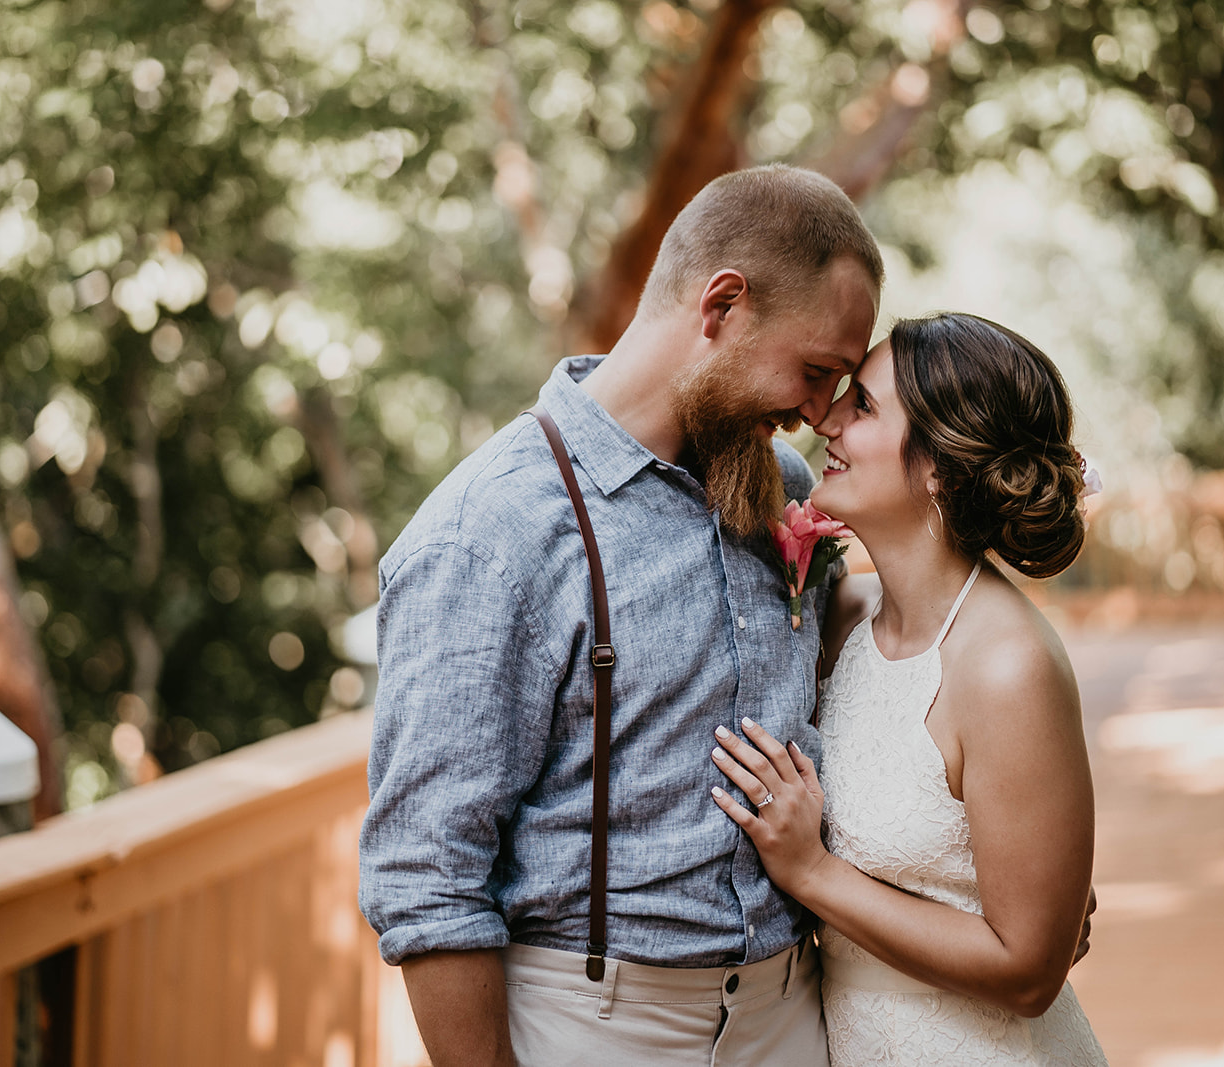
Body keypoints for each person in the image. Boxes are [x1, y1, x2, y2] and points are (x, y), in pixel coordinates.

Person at [358, 164, 883, 1066]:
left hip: (796, 1011)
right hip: (596, 1028)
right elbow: (427, 876)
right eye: (816, 372)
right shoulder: (489, 533)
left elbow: (865, 674)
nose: (816, 414)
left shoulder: (784, 492)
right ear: (722, 306)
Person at [711, 313, 1108, 1065]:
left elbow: (1029, 970)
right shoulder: (844, 624)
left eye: (862, 405)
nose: (825, 418)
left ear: (939, 467)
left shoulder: (1005, 664)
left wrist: (813, 873)